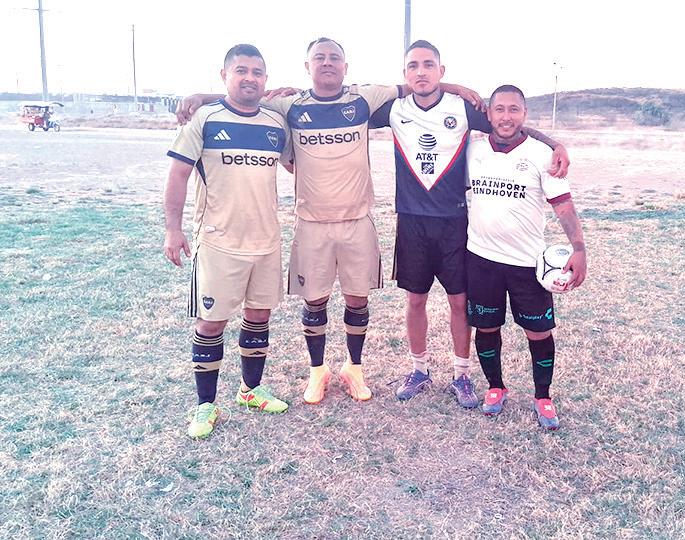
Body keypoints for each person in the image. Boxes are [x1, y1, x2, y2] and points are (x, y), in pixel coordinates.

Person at [176, 38, 482, 404]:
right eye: (319, 58)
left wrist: (455, 87)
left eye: (334, 57)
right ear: (307, 67)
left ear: (345, 66)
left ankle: (355, 368)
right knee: (315, 301)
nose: (327, 63)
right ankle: (317, 371)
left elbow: (417, 85)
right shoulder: (290, 104)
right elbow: (244, 96)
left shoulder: (363, 98)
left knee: (357, 300)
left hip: (357, 220)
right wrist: (201, 97)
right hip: (311, 222)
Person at [368, 40, 570, 409]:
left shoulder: (461, 107)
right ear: (404, 73)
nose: (421, 72)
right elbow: (343, 107)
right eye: (413, 66)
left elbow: (509, 126)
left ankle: (461, 375)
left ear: (441, 70)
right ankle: (419, 370)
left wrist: (555, 144)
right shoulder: (395, 109)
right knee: (415, 300)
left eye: (429, 65)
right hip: (411, 221)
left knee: (459, 302)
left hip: (454, 222)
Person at [164, 44, 292, 439]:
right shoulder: (204, 118)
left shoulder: (275, 123)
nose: (249, 78)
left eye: (257, 72)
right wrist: (172, 229)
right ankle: (205, 405)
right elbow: (178, 175)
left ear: (265, 79)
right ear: (225, 76)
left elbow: (294, 162)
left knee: (259, 316)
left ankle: (251, 390)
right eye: (241, 70)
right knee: (211, 322)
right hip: (219, 242)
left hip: (266, 241)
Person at [464, 84, 587, 430]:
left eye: (513, 109)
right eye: (499, 109)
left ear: (525, 114)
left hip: (528, 264)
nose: (506, 117)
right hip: (481, 258)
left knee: (538, 331)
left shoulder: (540, 154)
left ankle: (542, 396)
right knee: (486, 327)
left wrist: (579, 248)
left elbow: (563, 206)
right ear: (489, 113)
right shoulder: (473, 151)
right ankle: (495, 387)